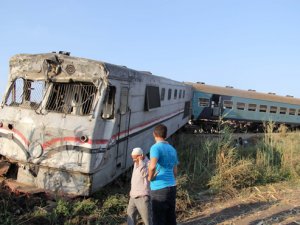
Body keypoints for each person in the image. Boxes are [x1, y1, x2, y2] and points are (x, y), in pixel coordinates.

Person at [148, 124, 178, 225]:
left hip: (159, 188)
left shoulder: (155, 148)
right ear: (166, 134)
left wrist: (150, 177)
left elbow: (152, 166)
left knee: (158, 220)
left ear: (154, 134)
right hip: (172, 187)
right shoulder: (172, 149)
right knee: (170, 218)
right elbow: (175, 171)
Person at [127, 147, 152, 225]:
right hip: (133, 196)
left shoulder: (148, 163)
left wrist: (140, 161)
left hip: (142, 196)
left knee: (147, 219)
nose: (134, 160)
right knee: (130, 215)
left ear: (141, 155)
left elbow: (144, 174)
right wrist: (132, 191)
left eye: (135, 158)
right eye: (133, 158)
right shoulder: (136, 163)